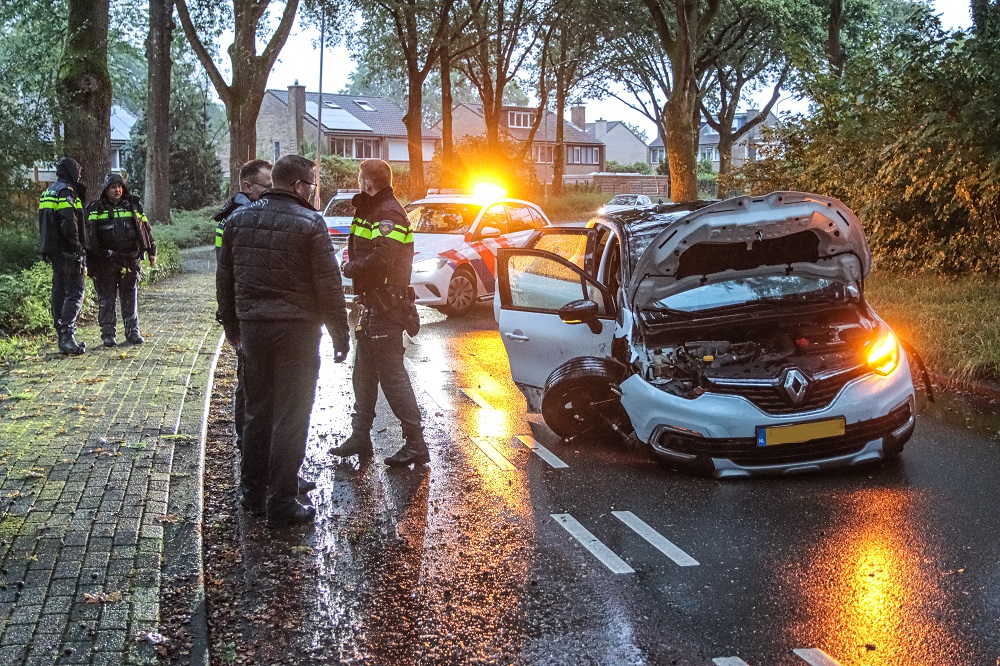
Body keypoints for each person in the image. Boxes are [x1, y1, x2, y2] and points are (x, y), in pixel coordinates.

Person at [216, 154, 350, 527]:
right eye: (312, 185)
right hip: (297, 332)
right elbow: (329, 286)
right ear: (297, 186)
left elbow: (224, 281)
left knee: (257, 413)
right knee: (291, 416)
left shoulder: (238, 220)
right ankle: (281, 501)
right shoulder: (310, 223)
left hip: (254, 329)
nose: (313, 192)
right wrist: (340, 334)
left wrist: (233, 329)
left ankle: (252, 495)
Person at [330, 159, 427, 468]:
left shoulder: (388, 213)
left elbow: (383, 259)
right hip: (373, 303)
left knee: (392, 377)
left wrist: (349, 268)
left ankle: (416, 443)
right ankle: (360, 437)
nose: (359, 183)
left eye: (361, 179)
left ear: (368, 182)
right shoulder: (373, 208)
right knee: (364, 374)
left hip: (386, 304)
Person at [211, 160, 272, 455]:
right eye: (266, 187)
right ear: (247, 186)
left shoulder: (245, 212)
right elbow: (227, 274)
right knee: (248, 382)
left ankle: (250, 443)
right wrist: (232, 321)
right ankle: (247, 443)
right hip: (246, 313)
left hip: (247, 311)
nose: (271, 193)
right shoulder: (238, 218)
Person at [85, 173, 156, 347]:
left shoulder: (132, 206)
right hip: (105, 261)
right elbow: (88, 236)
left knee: (129, 297)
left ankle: (132, 332)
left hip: (130, 260)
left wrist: (151, 250)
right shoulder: (95, 208)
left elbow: (145, 229)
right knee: (107, 299)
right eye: (113, 187)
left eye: (119, 186)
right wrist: (89, 261)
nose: (117, 190)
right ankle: (108, 335)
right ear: (105, 190)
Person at [38, 157, 88, 355]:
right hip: (68, 250)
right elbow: (69, 224)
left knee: (58, 291)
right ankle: (67, 336)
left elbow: (44, 224)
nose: (80, 175)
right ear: (71, 171)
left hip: (53, 251)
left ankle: (62, 335)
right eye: (79, 172)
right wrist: (78, 248)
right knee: (75, 291)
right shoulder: (66, 192)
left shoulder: (48, 192)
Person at [212, 159, 273, 260]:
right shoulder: (245, 220)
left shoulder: (230, 214)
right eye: (269, 187)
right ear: (248, 187)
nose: (273, 191)